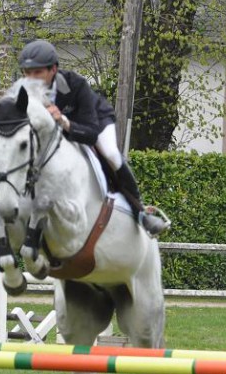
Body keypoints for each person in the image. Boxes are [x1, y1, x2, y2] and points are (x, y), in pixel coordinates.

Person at [17, 39, 169, 236]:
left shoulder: (76, 84)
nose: (31, 79)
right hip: (58, 136)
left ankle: (141, 214)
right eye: (27, 73)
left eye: (37, 73)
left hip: (95, 123)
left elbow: (90, 133)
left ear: (53, 69)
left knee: (111, 154)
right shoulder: (24, 93)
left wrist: (64, 121)